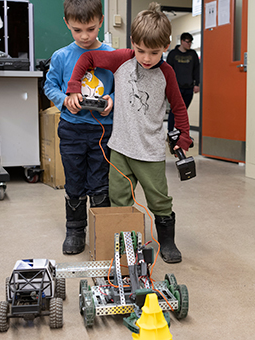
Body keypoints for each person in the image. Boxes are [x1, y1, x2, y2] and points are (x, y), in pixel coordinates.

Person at [65, 2, 192, 263]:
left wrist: (184, 138)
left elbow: (179, 108)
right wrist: (74, 85)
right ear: (133, 42)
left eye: (154, 52)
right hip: (120, 149)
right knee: (119, 199)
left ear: (166, 46)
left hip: (150, 152)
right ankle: (125, 245)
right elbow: (88, 57)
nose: (146, 58)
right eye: (140, 50)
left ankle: (167, 242)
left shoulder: (167, 73)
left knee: (159, 200)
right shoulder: (122, 59)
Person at [44, 0, 115, 255]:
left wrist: (111, 100)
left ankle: (102, 232)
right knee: (74, 181)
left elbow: (122, 87)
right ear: (67, 24)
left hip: (102, 132)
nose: (84, 36)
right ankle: (75, 229)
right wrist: (64, 99)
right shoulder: (61, 56)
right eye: (77, 30)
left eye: (91, 29)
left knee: (99, 183)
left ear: (101, 21)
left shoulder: (111, 54)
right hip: (72, 130)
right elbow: (49, 86)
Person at [165, 32, 200, 132]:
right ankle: (170, 131)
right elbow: (168, 71)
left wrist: (197, 84)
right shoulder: (173, 54)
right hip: (176, 88)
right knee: (174, 111)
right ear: (182, 41)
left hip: (189, 87)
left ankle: (181, 132)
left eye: (190, 43)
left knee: (183, 112)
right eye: (187, 42)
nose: (189, 45)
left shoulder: (193, 54)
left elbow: (197, 70)